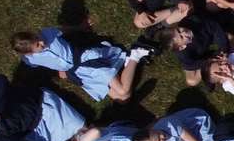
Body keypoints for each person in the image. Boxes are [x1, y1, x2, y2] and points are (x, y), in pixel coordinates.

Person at [12, 28, 147, 103]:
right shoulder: (30, 60)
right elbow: (45, 68)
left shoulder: (47, 33)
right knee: (123, 98)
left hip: (84, 59)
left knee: (123, 90)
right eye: (38, 45)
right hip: (77, 73)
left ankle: (135, 54)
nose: (42, 43)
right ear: (30, 53)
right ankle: (127, 64)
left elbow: (66, 32)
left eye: (38, 39)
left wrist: (85, 30)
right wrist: (59, 71)